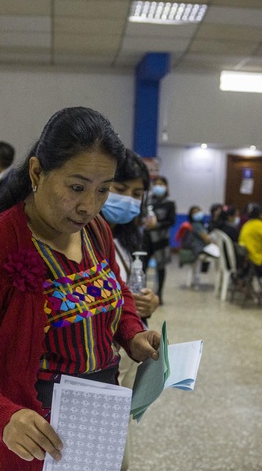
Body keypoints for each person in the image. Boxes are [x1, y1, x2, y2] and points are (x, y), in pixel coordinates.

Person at [0, 107, 160, 471]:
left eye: (103, 190)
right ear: (37, 172)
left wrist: (131, 332)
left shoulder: (96, 231)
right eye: (76, 187)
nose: (89, 206)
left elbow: (117, 290)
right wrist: (3, 417)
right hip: (28, 440)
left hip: (94, 426)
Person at [100, 150, 161, 471]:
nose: (128, 200)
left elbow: (128, 287)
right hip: (101, 348)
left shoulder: (126, 236)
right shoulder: (80, 233)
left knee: (116, 435)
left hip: (125, 344)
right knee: (108, 444)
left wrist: (150, 302)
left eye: (137, 195)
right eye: (120, 190)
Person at [145, 176, 176, 304]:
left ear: (166, 187)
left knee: (161, 268)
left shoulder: (170, 203)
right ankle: (142, 293)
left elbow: (171, 221)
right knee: (142, 266)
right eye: (156, 184)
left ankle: (159, 294)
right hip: (146, 238)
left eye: (161, 184)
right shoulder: (148, 201)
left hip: (162, 239)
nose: (158, 186)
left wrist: (157, 225)